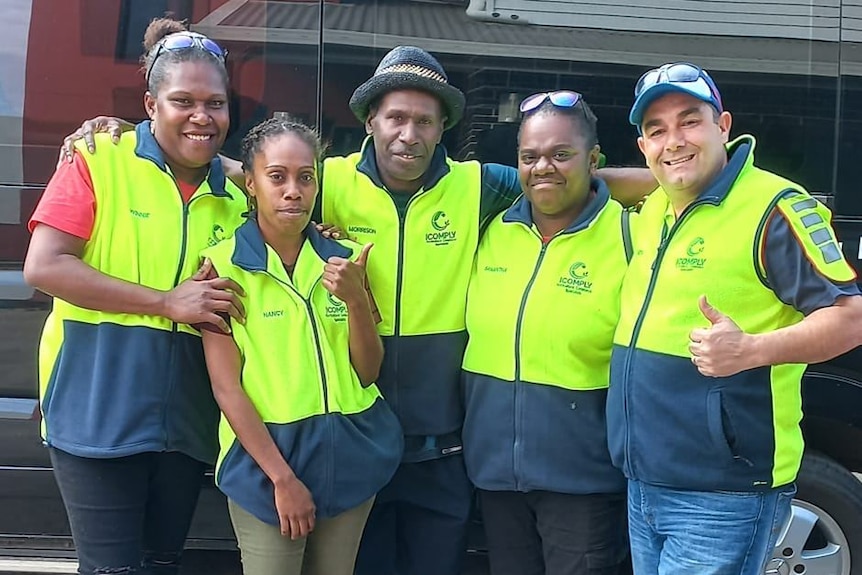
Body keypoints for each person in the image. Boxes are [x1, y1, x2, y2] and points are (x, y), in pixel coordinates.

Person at [59, 45, 655, 575]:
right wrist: (124, 130)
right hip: (347, 441)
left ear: (444, 126)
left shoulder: (478, 185)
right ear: (370, 122)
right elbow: (245, 164)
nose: (408, 134)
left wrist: (679, 173)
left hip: (441, 444)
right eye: (395, 117)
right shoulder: (329, 180)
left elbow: (562, 177)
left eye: (425, 120)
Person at [608, 61, 862, 575]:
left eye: (689, 121)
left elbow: (850, 317)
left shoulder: (775, 208)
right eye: (656, 131)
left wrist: (751, 351)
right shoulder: (657, 206)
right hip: (645, 482)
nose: (673, 141)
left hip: (723, 493)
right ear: (643, 149)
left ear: (723, 125)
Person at [23, 18, 247, 575]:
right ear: (150, 104)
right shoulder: (99, 158)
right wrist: (167, 302)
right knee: (112, 569)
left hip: (189, 420)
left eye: (215, 103)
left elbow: (300, 192)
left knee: (160, 564)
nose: (202, 115)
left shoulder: (239, 189)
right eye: (183, 100)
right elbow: (44, 266)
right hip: (97, 410)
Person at [199, 117, 403, 575]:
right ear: (250, 184)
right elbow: (226, 388)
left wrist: (354, 300)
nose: (293, 190)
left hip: (349, 458)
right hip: (265, 469)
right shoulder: (222, 268)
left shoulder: (346, 259)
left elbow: (367, 372)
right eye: (277, 176)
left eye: (305, 177)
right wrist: (282, 478)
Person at [461, 91, 629, 575]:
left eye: (561, 154)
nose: (543, 168)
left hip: (584, 479)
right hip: (495, 474)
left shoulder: (628, 235)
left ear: (594, 160)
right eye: (529, 156)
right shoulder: (492, 229)